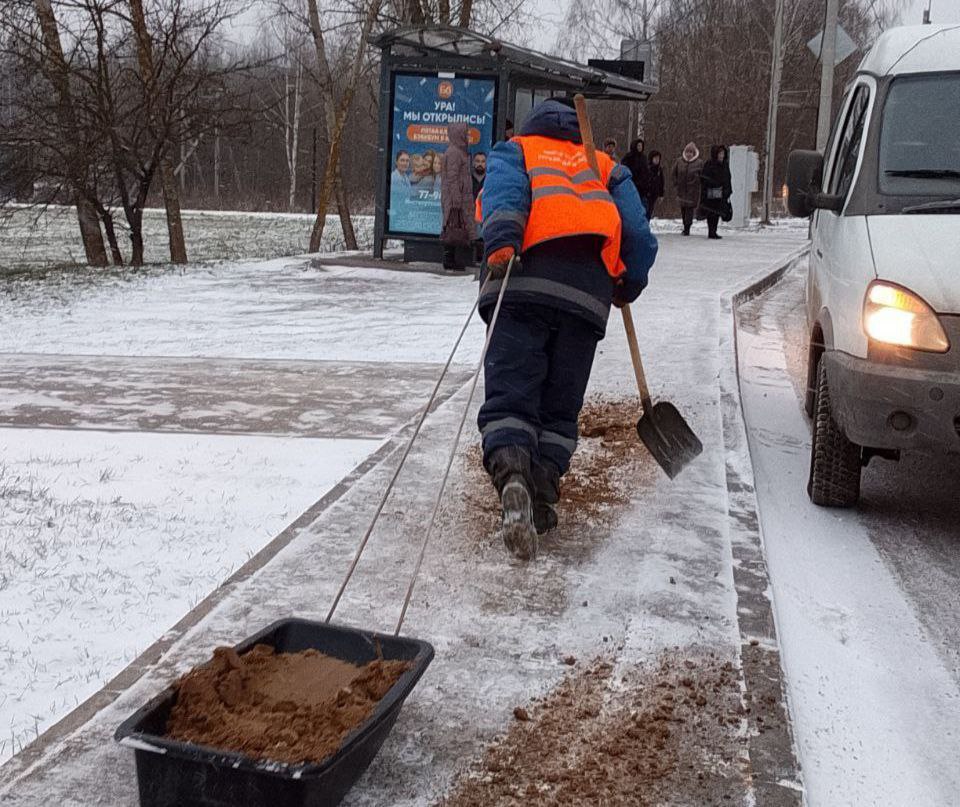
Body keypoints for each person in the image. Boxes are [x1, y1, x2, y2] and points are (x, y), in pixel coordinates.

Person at [475, 98, 658, 560]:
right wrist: (628, 281)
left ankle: (513, 476)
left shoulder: (515, 150)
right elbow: (636, 230)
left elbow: (503, 191)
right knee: (560, 405)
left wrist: (502, 241)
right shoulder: (603, 164)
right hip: (584, 300)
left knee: (512, 389)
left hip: (520, 285)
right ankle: (541, 491)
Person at [440, 123, 476, 271]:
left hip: (458, 195)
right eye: (465, 133)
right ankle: (449, 259)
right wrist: (456, 198)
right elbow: (452, 177)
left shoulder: (458, 151)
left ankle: (452, 258)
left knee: (456, 225)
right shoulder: (455, 152)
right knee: (453, 226)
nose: (467, 136)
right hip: (455, 197)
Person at [698, 145, 732, 240]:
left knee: (718, 212)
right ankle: (711, 231)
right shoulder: (709, 164)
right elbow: (704, 179)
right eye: (720, 153)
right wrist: (712, 185)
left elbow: (728, 178)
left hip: (722, 192)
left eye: (723, 153)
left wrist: (728, 190)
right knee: (711, 212)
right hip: (711, 192)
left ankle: (714, 231)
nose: (721, 155)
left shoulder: (725, 165)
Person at [672, 142, 703, 236]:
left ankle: (687, 228)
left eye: (691, 152)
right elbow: (674, 173)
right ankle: (685, 225)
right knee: (683, 210)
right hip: (681, 190)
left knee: (689, 210)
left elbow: (702, 176)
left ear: (694, 153)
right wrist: (676, 182)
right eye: (687, 152)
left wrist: (697, 181)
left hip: (692, 191)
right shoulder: (679, 161)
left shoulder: (699, 163)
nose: (689, 154)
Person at [620, 138, 651, 209]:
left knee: (643, 207)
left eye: (641, 146)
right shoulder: (629, 157)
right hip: (632, 185)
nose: (640, 147)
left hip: (643, 188)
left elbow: (646, 171)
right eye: (638, 146)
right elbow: (625, 170)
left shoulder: (644, 157)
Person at [645, 151, 665, 219]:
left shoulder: (659, 169)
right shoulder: (647, 168)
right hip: (647, 193)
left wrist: (661, 194)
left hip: (654, 194)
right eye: (655, 158)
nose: (657, 160)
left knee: (650, 210)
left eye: (658, 158)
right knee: (646, 210)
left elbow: (661, 182)